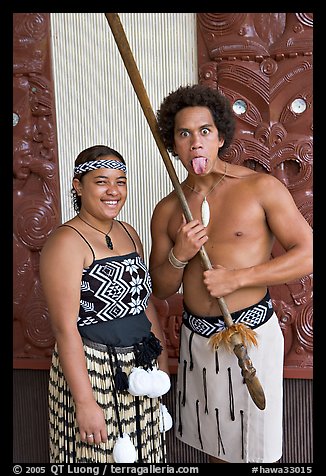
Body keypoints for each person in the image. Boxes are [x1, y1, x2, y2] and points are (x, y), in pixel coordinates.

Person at [149, 84, 313, 463]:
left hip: (251, 336)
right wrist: (179, 255)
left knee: (253, 450)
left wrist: (239, 278)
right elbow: (160, 287)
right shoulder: (169, 209)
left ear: (220, 136)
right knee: (214, 448)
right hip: (196, 339)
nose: (195, 143)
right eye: (184, 133)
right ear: (172, 142)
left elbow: (307, 254)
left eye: (204, 131)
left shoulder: (260, 188)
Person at [40, 145, 171, 464]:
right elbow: (64, 327)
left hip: (142, 367)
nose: (113, 190)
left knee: (147, 459)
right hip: (94, 371)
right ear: (78, 186)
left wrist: (162, 367)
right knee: (98, 458)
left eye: (121, 181)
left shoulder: (130, 232)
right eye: (101, 181)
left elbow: (144, 303)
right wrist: (85, 403)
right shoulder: (66, 242)